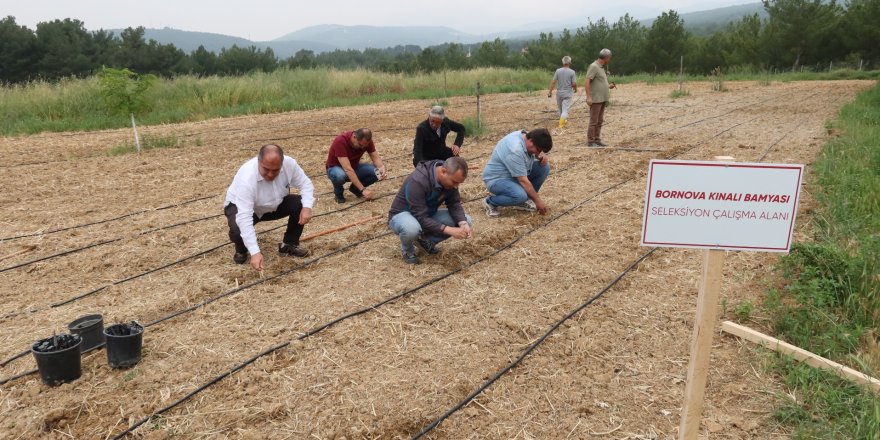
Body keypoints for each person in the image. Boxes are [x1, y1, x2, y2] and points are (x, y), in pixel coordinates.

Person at [224, 144, 315, 271]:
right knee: (238, 229)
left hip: (273, 204)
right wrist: (255, 252)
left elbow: (305, 184)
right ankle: (242, 250)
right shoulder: (247, 178)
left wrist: (307, 207)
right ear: (259, 161)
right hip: (243, 207)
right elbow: (244, 217)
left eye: (276, 170)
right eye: (266, 169)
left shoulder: (290, 164)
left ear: (282, 163)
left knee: (300, 203)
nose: (271, 174)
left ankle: (289, 244)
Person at [388, 157, 473, 265]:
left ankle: (426, 241)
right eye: (454, 182)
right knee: (411, 229)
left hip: (426, 214)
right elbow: (420, 216)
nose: (456, 186)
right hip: (402, 215)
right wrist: (449, 230)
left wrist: (463, 223)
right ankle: (407, 250)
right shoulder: (418, 180)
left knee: (467, 220)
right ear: (443, 172)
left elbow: (454, 204)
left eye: (459, 183)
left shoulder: (449, 180)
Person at [481, 129, 552, 218]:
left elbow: (535, 151)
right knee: (520, 196)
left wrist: (539, 155)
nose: (537, 152)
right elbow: (523, 180)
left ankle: (524, 201)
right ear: (531, 141)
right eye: (537, 149)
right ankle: (491, 202)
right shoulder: (515, 149)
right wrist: (538, 201)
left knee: (544, 167)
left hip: (513, 175)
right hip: (497, 179)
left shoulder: (527, 135)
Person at [326, 128, 387, 203]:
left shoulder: (366, 142)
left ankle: (355, 189)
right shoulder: (340, 141)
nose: (362, 147)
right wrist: (363, 189)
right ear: (354, 137)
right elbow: (348, 169)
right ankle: (338, 194)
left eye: (364, 146)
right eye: (360, 145)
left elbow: (375, 157)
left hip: (354, 167)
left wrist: (381, 167)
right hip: (336, 168)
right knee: (339, 176)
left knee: (376, 173)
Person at [585, 48, 617, 147]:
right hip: (596, 99)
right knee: (594, 121)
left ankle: (597, 140)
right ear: (606, 57)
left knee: (599, 120)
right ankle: (591, 141)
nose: (609, 60)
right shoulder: (594, 66)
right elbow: (587, 81)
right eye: (609, 58)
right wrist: (589, 97)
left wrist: (608, 86)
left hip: (602, 98)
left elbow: (599, 83)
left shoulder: (601, 67)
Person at [547, 56, 577, 128]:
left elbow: (554, 82)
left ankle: (563, 120)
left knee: (560, 109)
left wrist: (550, 92)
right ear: (569, 62)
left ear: (562, 62)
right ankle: (561, 125)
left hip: (559, 93)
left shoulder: (558, 71)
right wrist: (575, 89)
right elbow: (574, 84)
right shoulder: (572, 72)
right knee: (565, 110)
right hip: (567, 93)